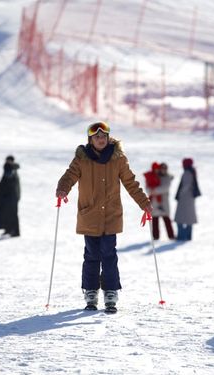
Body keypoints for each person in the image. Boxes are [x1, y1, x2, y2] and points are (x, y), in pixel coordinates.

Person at [56, 121, 152, 312]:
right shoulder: (81, 159)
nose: (100, 140)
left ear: (108, 138)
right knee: (91, 255)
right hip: (89, 215)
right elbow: (70, 175)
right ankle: (90, 291)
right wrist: (62, 188)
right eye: (96, 137)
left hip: (111, 216)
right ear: (90, 139)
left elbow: (131, 183)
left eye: (103, 136)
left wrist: (144, 203)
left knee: (109, 255)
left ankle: (110, 292)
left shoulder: (118, 159)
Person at [146, 162, 175, 240]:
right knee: (155, 219)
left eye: (165, 169)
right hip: (155, 202)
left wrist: (154, 190)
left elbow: (165, 188)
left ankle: (171, 236)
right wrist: (151, 191)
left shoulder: (167, 177)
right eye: (162, 169)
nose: (163, 170)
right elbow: (148, 187)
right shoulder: (154, 176)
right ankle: (155, 237)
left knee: (166, 219)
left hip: (164, 202)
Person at [174, 158, 200, 241]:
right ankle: (187, 236)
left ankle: (182, 236)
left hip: (185, 199)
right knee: (188, 219)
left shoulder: (187, 173)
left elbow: (185, 186)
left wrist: (180, 195)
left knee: (180, 219)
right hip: (189, 198)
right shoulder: (192, 172)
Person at [0, 157, 21, 237]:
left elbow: (9, 184)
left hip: (11, 196)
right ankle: (9, 229)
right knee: (7, 213)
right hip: (11, 196)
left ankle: (15, 231)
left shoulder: (11, 170)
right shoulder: (10, 169)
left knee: (13, 214)